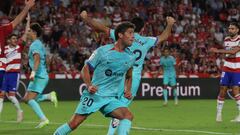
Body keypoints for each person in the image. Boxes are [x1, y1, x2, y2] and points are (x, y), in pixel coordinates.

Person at [80, 10, 175, 134]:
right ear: (142, 29)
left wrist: (87, 19)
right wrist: (170, 24)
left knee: (115, 106)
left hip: (118, 74)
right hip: (133, 77)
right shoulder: (146, 40)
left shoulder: (123, 35)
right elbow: (163, 37)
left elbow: (102, 28)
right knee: (122, 108)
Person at [54, 22, 136, 135]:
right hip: (95, 95)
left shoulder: (131, 56)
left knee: (127, 115)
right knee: (74, 123)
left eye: (134, 33)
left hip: (111, 98)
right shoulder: (103, 51)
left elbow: (129, 75)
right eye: (130, 33)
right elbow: (85, 69)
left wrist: (128, 89)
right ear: (120, 35)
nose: (133, 36)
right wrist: (89, 86)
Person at [0, 0, 35, 118]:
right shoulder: (5, 48)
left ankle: (19, 111)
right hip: (5, 70)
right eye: (12, 39)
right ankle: (19, 111)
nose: (14, 40)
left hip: (9, 72)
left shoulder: (4, 33)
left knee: (7, 95)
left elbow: (17, 22)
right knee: (5, 95)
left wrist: (27, 9)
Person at [22, 23, 57, 128]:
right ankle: (49, 96)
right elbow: (43, 60)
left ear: (34, 32)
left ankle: (44, 119)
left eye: (29, 31)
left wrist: (33, 72)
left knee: (30, 99)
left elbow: (37, 59)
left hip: (39, 76)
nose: (27, 32)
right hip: (40, 74)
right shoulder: (37, 44)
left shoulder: (35, 44)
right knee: (25, 99)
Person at [210, 21, 240, 122]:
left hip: (237, 68)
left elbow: (233, 52)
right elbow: (228, 53)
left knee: (236, 90)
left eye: (232, 28)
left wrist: (218, 51)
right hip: (227, 67)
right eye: (229, 28)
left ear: (237, 30)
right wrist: (223, 52)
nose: (230, 30)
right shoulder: (226, 39)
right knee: (222, 89)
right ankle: (219, 114)